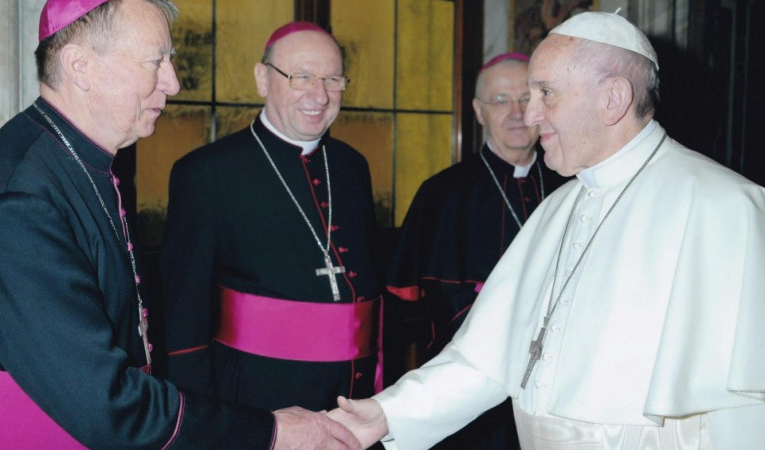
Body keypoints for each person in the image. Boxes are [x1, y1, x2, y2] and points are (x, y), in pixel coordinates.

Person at [328, 11, 765, 450]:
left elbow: (746, 406)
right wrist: (388, 415)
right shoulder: (557, 208)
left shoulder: (724, 208)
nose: (530, 114)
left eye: (546, 94)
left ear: (613, 99)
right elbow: (485, 359)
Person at [0, 1, 360, 449]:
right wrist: (272, 432)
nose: (173, 82)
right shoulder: (20, 202)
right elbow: (105, 403)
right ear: (80, 66)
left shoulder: (74, 158)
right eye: (155, 61)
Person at [160, 21, 383, 416]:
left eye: (333, 79)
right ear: (262, 79)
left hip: (354, 396)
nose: (320, 95)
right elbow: (183, 317)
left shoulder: (352, 165)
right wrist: (199, 418)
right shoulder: (207, 173)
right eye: (302, 77)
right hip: (257, 403)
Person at [386, 52, 566, 449]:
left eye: (526, 98)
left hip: (557, 384)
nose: (516, 113)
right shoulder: (442, 193)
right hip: (468, 393)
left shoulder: (570, 186)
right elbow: (406, 306)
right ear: (478, 111)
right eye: (500, 100)